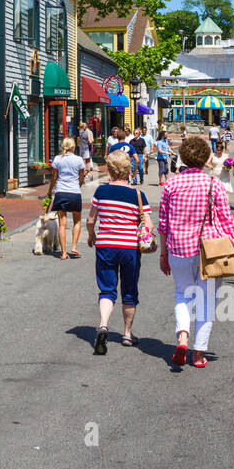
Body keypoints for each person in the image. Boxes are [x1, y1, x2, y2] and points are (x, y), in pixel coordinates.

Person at [157, 136, 234, 368]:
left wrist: (163, 254)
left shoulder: (171, 185)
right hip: (210, 249)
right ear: (206, 157)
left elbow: (163, 224)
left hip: (179, 248)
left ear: (183, 157)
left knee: (182, 294)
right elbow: (226, 220)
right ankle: (198, 353)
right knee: (207, 300)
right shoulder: (213, 184)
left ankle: (183, 337)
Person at [85, 150, 150, 354]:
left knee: (107, 289)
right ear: (128, 170)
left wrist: (91, 235)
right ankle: (127, 334)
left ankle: (103, 325)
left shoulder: (101, 192)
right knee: (129, 290)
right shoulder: (137, 195)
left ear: (110, 170)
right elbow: (148, 225)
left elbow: (91, 220)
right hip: (129, 247)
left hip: (105, 245)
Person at [47, 135, 87, 260]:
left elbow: (54, 177)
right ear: (73, 147)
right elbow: (81, 178)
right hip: (74, 193)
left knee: (62, 224)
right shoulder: (79, 160)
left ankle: (64, 253)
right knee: (77, 221)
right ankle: (74, 247)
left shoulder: (57, 159)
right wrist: (77, 186)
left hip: (61, 192)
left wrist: (50, 191)